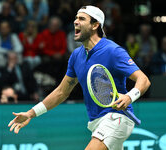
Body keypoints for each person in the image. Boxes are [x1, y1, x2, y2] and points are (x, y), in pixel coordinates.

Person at [8, 6, 150, 150]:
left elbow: (143, 80)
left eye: (82, 19)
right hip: (96, 121)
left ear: (95, 25)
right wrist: (31, 114)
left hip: (117, 117)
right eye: (76, 18)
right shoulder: (76, 56)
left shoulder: (113, 51)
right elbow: (61, 92)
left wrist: (129, 97)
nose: (76, 22)